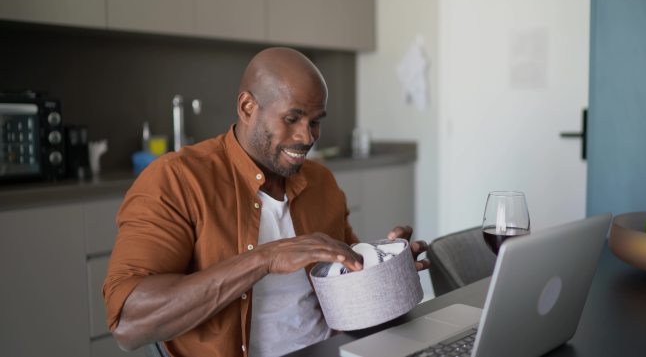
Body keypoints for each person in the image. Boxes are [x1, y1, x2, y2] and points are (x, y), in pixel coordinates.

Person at [103, 47, 429, 357]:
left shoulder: (321, 183)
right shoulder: (176, 180)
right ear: (247, 107)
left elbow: (345, 286)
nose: (307, 137)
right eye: (292, 119)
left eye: (315, 121)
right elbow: (129, 323)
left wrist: (383, 271)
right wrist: (264, 259)